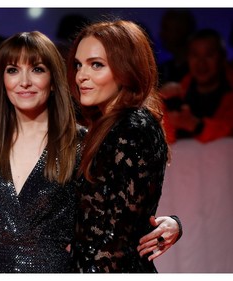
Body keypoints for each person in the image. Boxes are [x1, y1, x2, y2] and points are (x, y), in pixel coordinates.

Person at [0, 30, 181, 273]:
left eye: (37, 69)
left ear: (54, 80)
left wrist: (170, 224)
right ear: (2, 80)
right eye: (12, 70)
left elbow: (112, 216)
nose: (23, 81)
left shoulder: (82, 143)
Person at [66, 20, 171, 272]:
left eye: (96, 65)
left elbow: (116, 240)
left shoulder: (132, 128)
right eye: (79, 65)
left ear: (126, 68)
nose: (81, 75)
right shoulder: (109, 126)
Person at [161, 28, 233, 143]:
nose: (201, 63)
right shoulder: (175, 94)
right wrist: (158, 101)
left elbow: (229, 130)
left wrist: (196, 126)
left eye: (209, 55)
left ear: (222, 58)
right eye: (195, 55)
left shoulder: (230, 93)